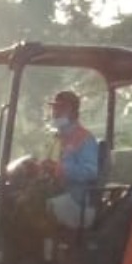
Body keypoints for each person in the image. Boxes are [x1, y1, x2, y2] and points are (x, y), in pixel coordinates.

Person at [40, 90, 100, 229]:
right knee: (12, 196)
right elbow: (50, 165)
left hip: (76, 199)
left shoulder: (85, 138)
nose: (56, 112)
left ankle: (42, 249)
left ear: (74, 112)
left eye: (62, 108)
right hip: (55, 190)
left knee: (30, 203)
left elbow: (90, 172)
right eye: (55, 108)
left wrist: (59, 169)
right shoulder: (55, 138)